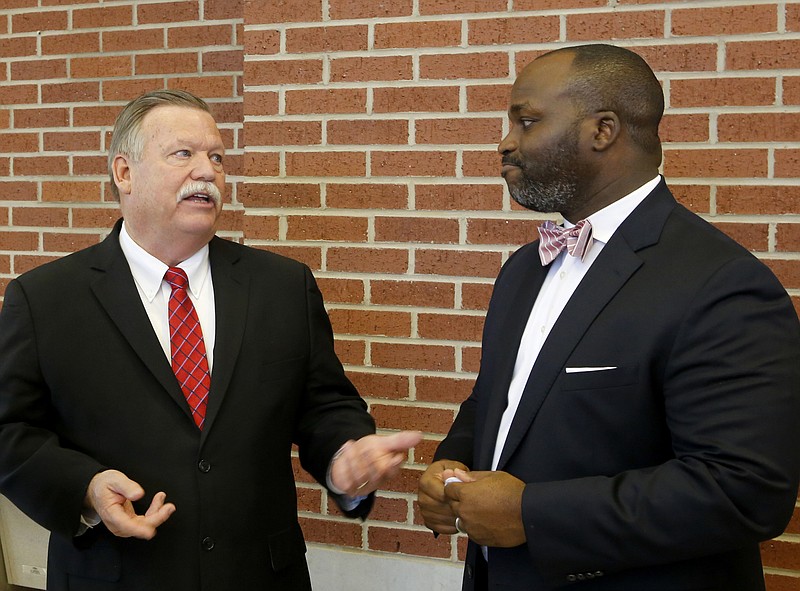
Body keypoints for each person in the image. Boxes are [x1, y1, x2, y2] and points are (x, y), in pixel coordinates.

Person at [0, 89, 422, 591]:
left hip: (261, 576)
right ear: (124, 173)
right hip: (114, 575)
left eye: (217, 156)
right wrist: (86, 491)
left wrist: (342, 455)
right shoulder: (46, 298)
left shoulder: (282, 287)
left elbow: (324, 404)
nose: (208, 171)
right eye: (184, 154)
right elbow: (9, 431)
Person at [417, 44, 800, 591]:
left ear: (603, 130)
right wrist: (451, 466)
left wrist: (533, 515)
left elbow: (745, 490)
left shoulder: (720, 284)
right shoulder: (524, 270)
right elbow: (500, 402)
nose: (505, 143)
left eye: (526, 121)